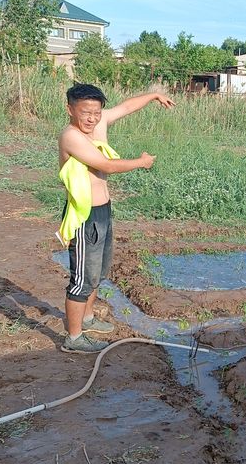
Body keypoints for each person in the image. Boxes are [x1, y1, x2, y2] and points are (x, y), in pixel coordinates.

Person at [57, 83, 174, 353]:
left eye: (96, 112)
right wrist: (140, 162)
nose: (92, 118)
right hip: (84, 215)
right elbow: (106, 165)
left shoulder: (97, 124)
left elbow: (127, 106)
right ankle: (73, 339)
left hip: (103, 211)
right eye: (85, 112)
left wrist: (154, 95)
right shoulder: (71, 136)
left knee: (98, 272)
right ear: (70, 109)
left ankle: (87, 319)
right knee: (82, 277)